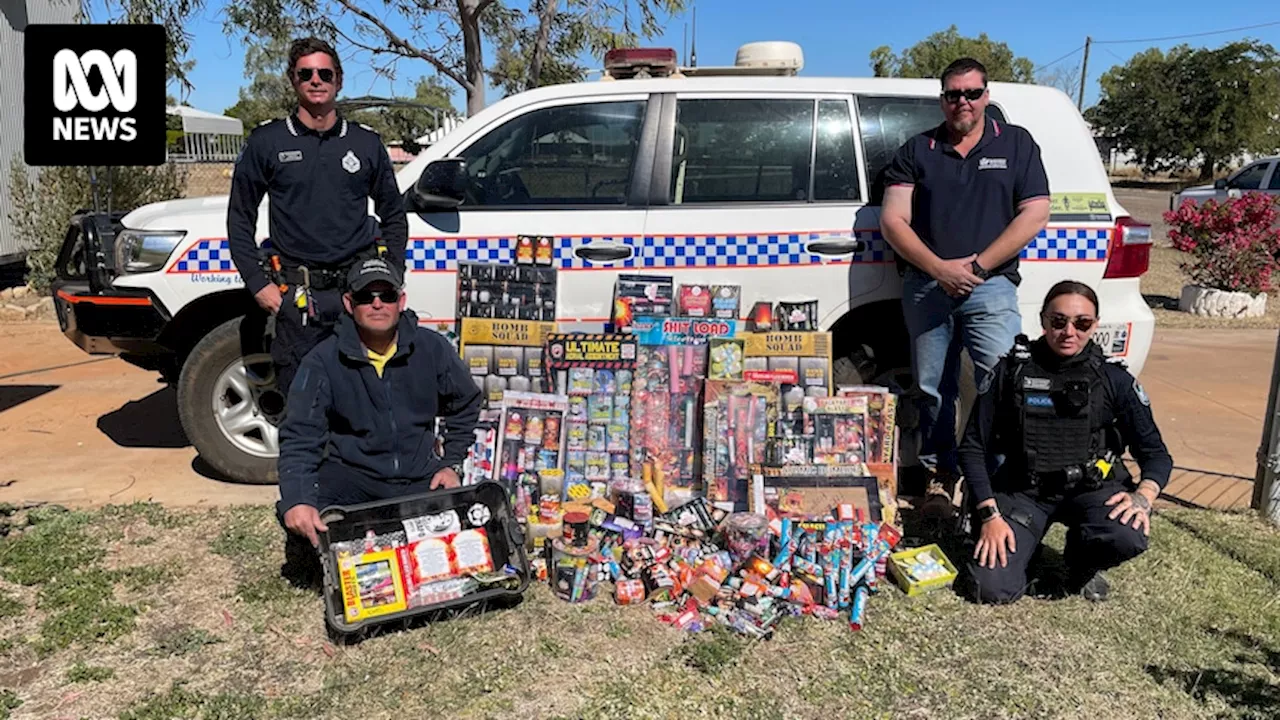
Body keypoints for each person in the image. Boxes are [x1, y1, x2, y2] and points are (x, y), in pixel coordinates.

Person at [879, 57, 1052, 514]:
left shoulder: (1016, 144)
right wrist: (939, 268)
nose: (963, 102)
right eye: (954, 94)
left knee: (1000, 383)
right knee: (934, 387)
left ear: (986, 96)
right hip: (927, 287)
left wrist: (974, 268)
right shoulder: (918, 149)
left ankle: (995, 479)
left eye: (972, 93)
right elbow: (893, 219)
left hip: (990, 287)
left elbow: (1034, 213)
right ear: (943, 99)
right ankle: (941, 476)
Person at [958, 280, 1173, 603]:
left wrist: (1143, 496)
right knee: (989, 589)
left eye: (1082, 323)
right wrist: (990, 515)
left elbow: (1156, 454)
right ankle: (1032, 556)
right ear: (1043, 321)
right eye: (1058, 321)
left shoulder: (1115, 380)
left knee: (1126, 534)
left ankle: (1079, 564)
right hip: (1024, 491)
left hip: (1091, 489)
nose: (1069, 331)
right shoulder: (1010, 372)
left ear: (1095, 325)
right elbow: (973, 447)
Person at [227, 36, 408, 404]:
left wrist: (391, 274)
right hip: (298, 299)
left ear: (338, 80)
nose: (316, 80)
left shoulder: (366, 143)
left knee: (362, 405)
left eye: (325, 73)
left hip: (357, 296)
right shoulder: (267, 141)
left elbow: (394, 215)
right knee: (303, 411)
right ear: (293, 80)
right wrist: (258, 284)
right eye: (305, 73)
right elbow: (239, 218)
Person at [275, 257, 483, 568]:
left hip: (420, 477)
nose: (377, 304)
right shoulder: (322, 360)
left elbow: (466, 403)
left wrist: (451, 462)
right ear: (349, 303)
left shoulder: (432, 348)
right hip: (354, 479)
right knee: (301, 511)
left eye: (386, 295)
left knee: (475, 525)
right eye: (364, 296)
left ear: (401, 301)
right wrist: (298, 499)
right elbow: (300, 435)